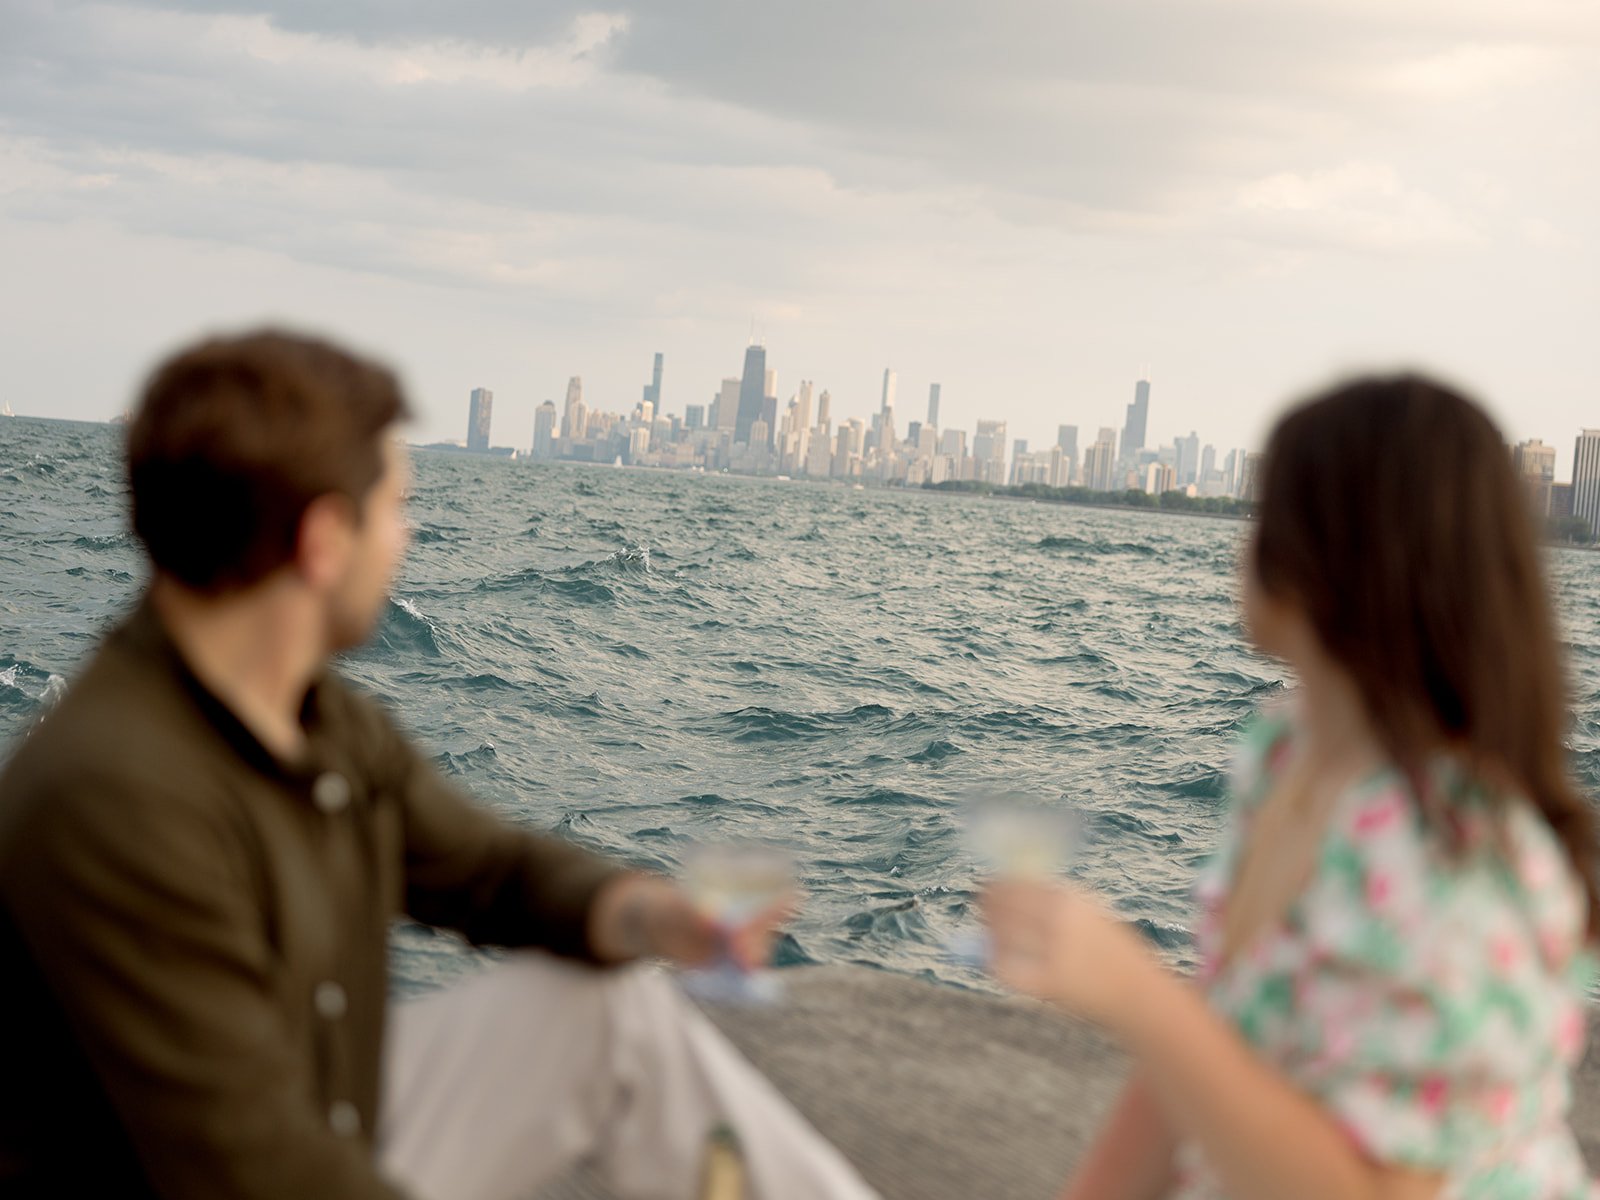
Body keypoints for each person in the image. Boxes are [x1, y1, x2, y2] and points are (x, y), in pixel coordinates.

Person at [0, 330, 878, 1200]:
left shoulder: (318, 722)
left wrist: (653, 917)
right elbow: (254, 1171)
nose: (407, 539)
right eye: (396, 509)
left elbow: (489, 870)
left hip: (313, 1119)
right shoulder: (111, 800)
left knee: (610, 1011)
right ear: (323, 539)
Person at [984, 375, 1599, 1199]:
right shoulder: (1285, 753)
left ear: (1334, 557)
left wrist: (1134, 993)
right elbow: (1214, 1043)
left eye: (1265, 512)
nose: (1243, 544)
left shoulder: (1457, 863)